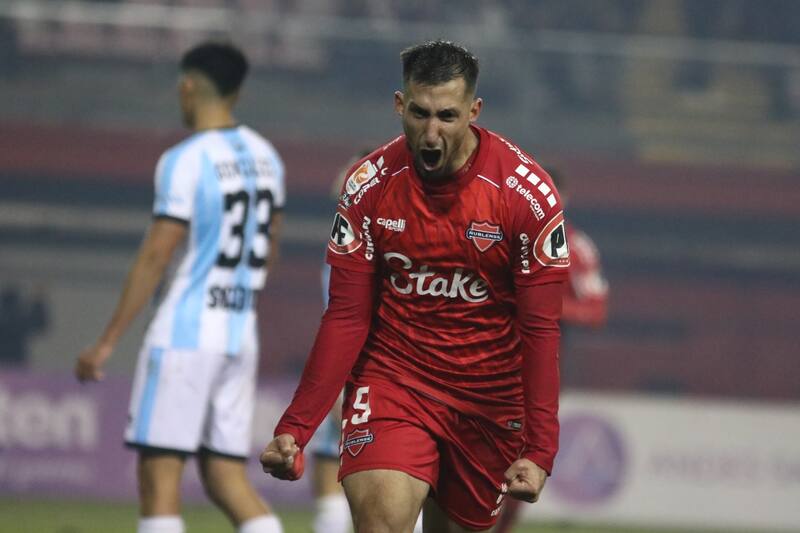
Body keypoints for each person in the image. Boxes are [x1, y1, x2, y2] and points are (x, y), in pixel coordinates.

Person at [261, 40, 570, 532]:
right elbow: (346, 316)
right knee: (381, 522)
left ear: (474, 110)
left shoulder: (525, 196)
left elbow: (540, 329)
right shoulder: (368, 186)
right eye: (420, 113)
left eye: (447, 116)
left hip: (488, 400)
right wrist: (297, 426)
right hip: (394, 380)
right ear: (399, 104)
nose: (431, 133)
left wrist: (540, 449)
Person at [74, 42, 286, 533]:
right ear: (239, 90)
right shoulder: (266, 157)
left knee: (158, 478)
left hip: (187, 333)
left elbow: (156, 254)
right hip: (239, 334)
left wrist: (106, 342)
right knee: (225, 476)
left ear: (187, 87)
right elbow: (270, 250)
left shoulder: (185, 158)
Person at [494, 167, 608, 533]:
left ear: (564, 198)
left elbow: (595, 308)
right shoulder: (500, 237)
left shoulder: (577, 248)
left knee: (520, 460)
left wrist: (543, 308)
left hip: (538, 372)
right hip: (484, 362)